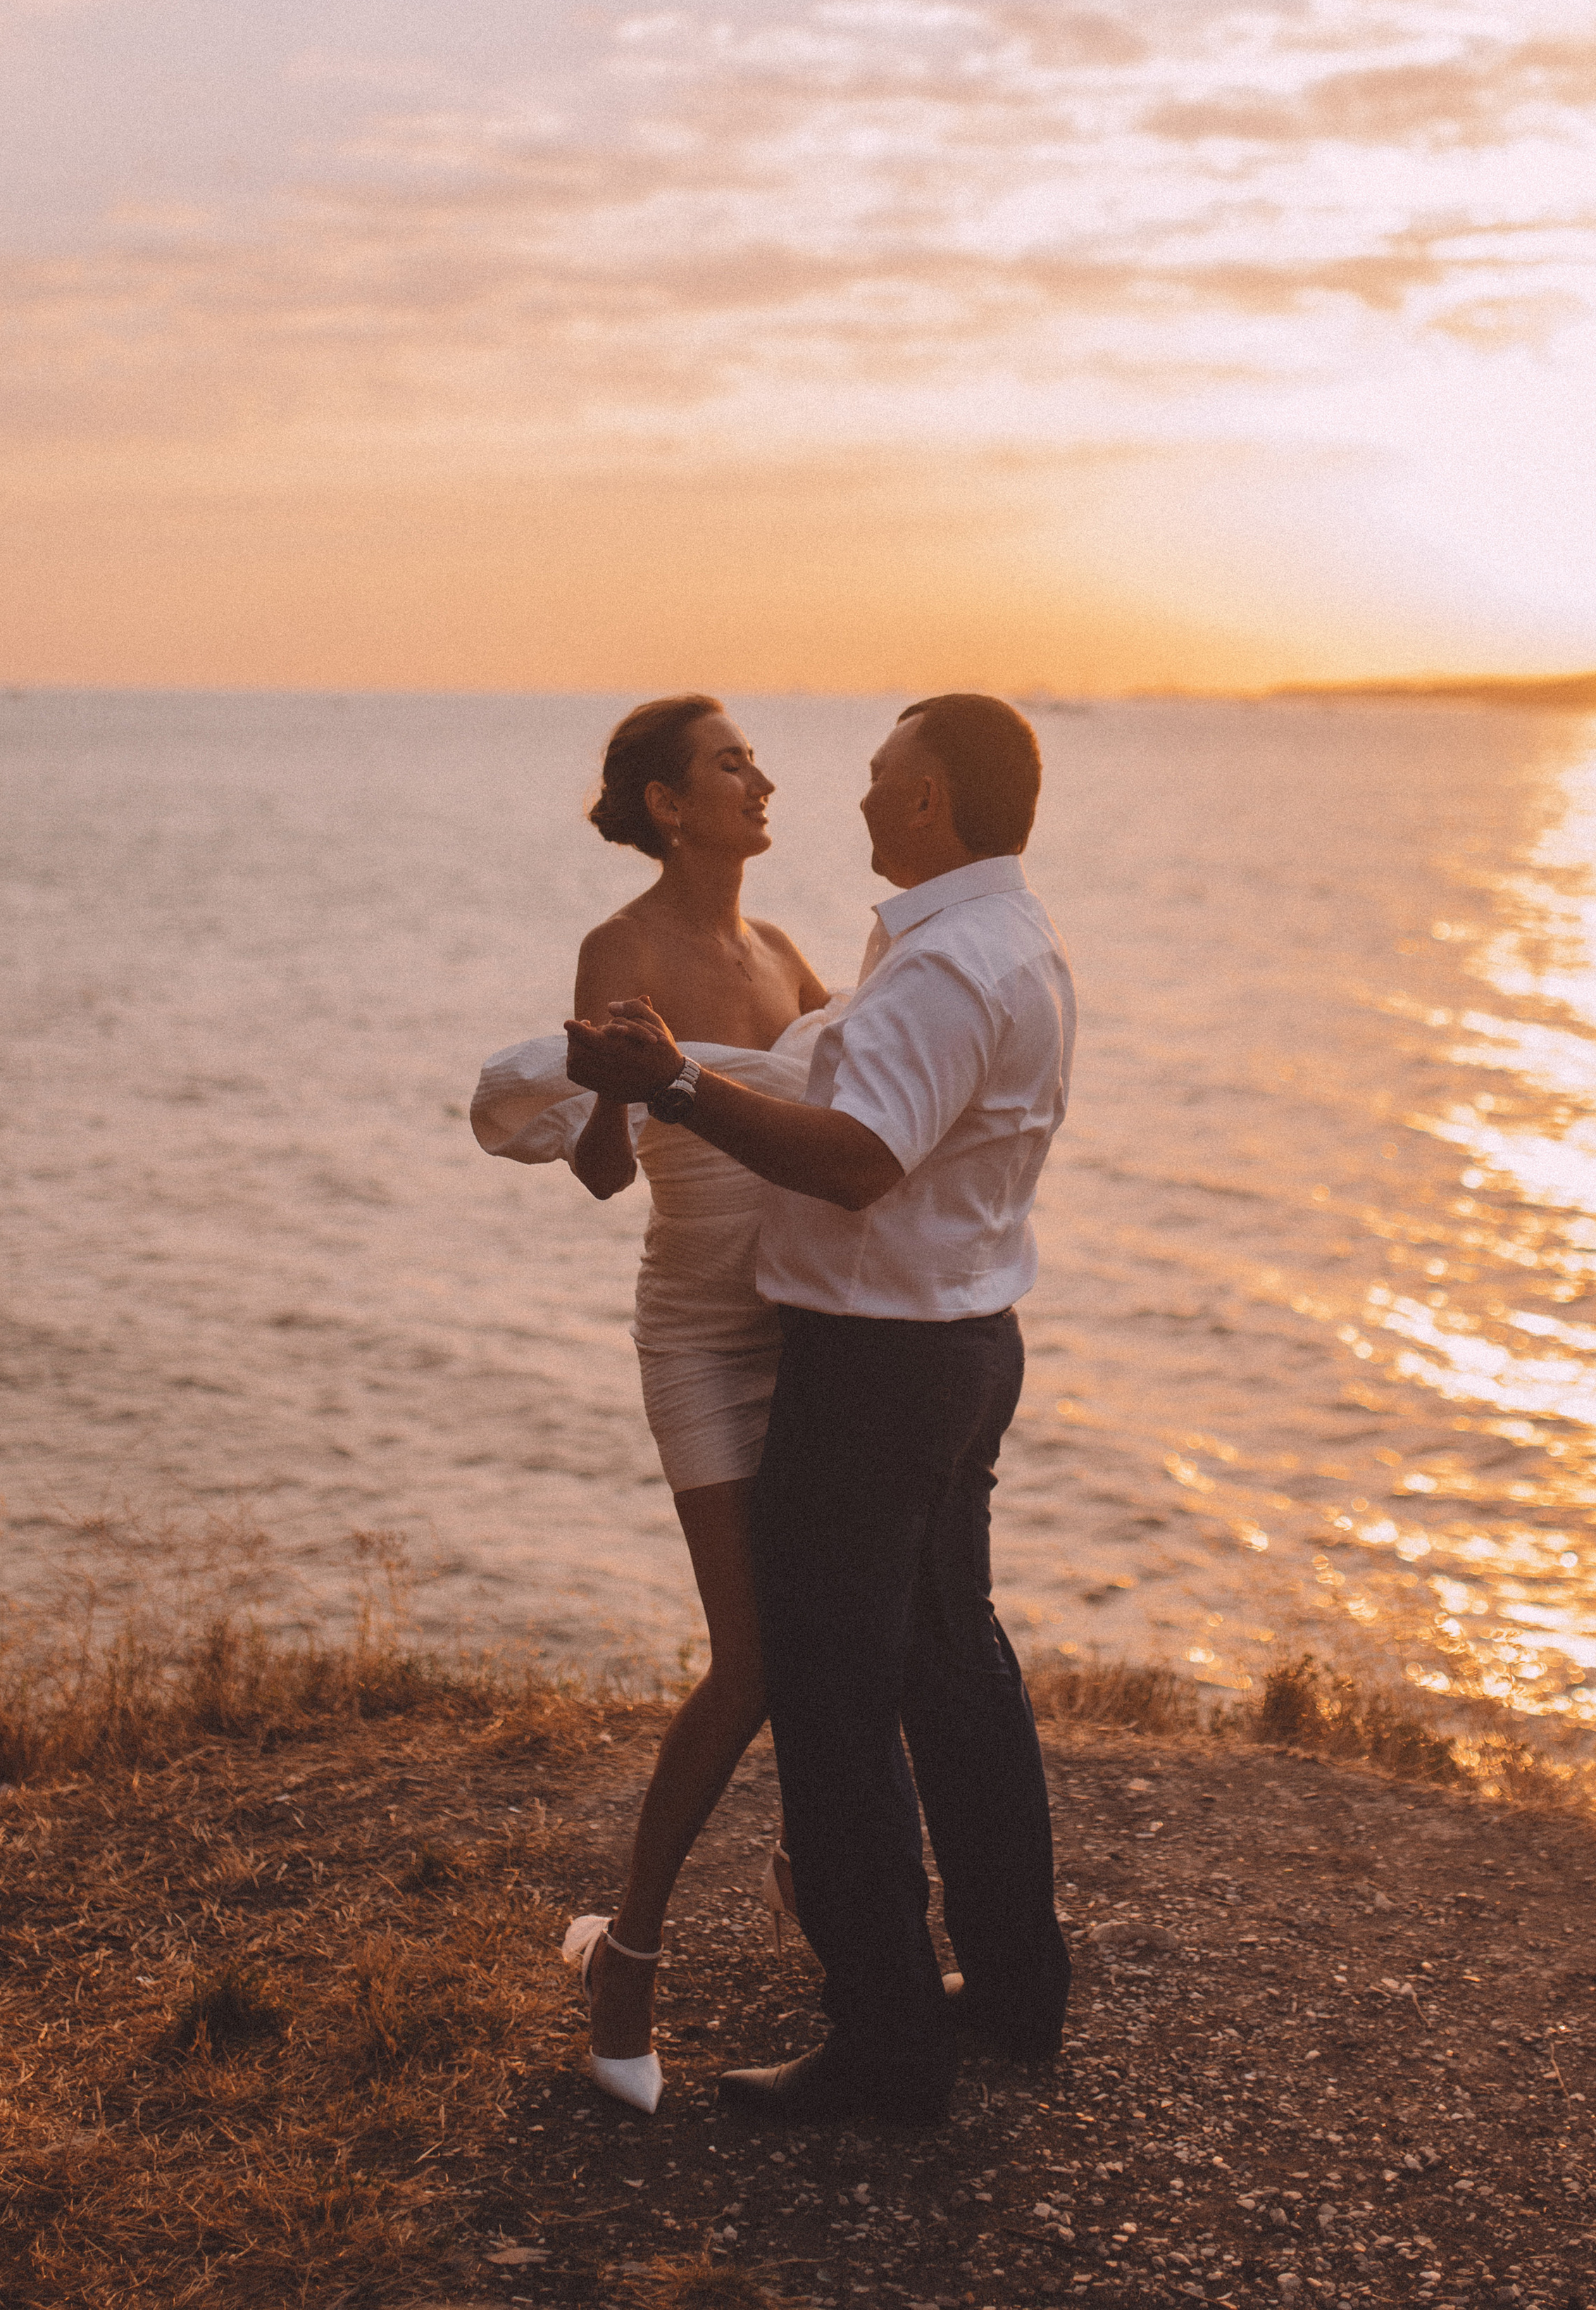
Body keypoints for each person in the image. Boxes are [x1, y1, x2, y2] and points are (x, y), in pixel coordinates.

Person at [563, 693, 1075, 2130]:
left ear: (930, 806)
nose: (844, 798)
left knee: (836, 1701)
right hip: (946, 1336)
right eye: (739, 760)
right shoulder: (999, 938)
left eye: (877, 780)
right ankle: (1014, 1987)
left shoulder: (929, 965)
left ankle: (886, 2044)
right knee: (948, 1663)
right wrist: (633, 1090)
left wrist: (669, 1077)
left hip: (873, 1362)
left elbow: (853, 1157)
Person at [472, 695, 828, 2114]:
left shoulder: (790, 953)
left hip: (810, 1326)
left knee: (820, 1651)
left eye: (753, 758)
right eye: (732, 761)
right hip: (695, 1333)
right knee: (747, 1661)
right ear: (669, 803)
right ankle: (626, 1954)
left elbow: (839, 1131)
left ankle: (834, 1909)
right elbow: (606, 1173)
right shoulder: (619, 949)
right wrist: (619, 1084)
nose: (762, 779)